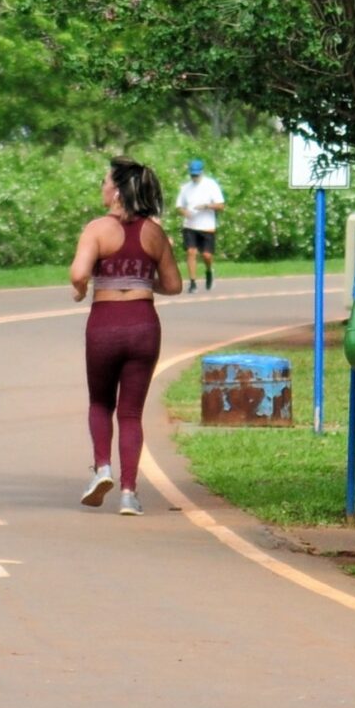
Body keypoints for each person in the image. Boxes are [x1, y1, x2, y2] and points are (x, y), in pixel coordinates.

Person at [70, 157, 181, 514]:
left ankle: (102, 468)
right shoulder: (154, 233)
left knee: (101, 402)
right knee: (131, 413)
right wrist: (140, 280)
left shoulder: (97, 229)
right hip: (144, 324)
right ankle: (130, 494)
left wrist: (80, 288)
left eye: (105, 181)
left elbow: (78, 273)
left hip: (105, 323)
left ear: (117, 191)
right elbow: (174, 285)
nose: (102, 187)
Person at [173, 157, 225, 291]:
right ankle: (192, 282)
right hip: (190, 226)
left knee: (207, 255)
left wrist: (206, 206)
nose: (194, 177)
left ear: (201, 172)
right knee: (191, 252)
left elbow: (221, 205)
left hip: (207, 225)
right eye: (192, 174)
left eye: (196, 174)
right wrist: (184, 212)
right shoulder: (185, 188)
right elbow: (179, 206)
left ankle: (209, 271)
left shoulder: (211, 185)